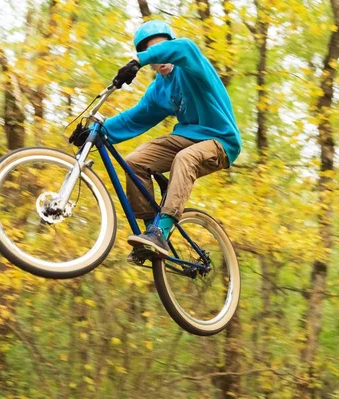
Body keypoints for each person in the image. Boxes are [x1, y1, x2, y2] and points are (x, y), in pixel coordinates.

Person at [103, 20, 242, 259]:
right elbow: (134, 118)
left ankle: (162, 229)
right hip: (187, 137)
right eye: (152, 56)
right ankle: (151, 235)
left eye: (161, 50)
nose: (160, 59)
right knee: (135, 162)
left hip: (221, 141)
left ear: (171, 48)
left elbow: (185, 48)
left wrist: (138, 60)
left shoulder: (191, 66)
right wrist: (98, 130)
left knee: (185, 158)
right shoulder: (159, 90)